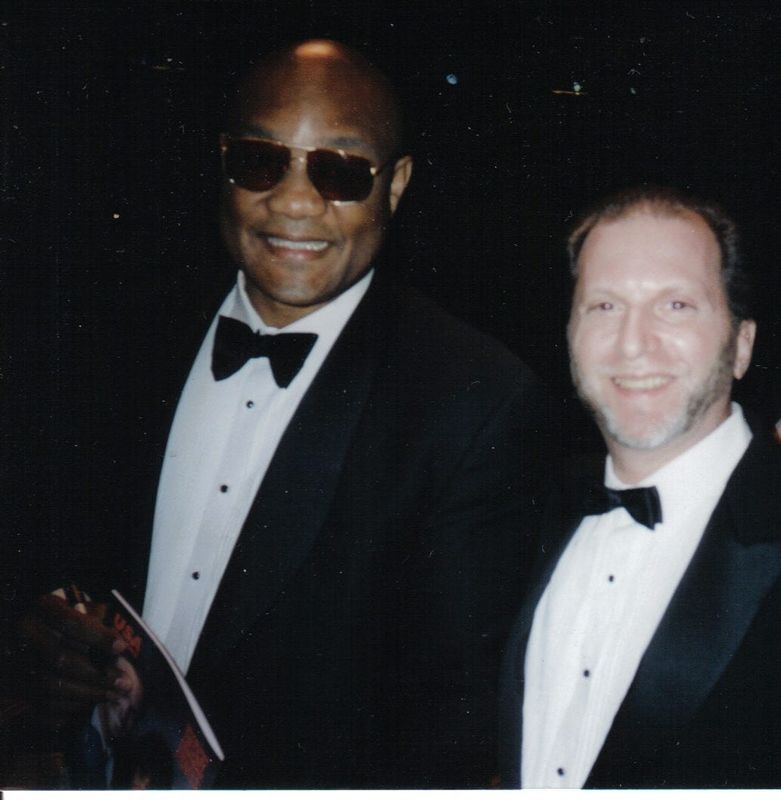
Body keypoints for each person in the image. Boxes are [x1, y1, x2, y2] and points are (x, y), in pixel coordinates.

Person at [5, 39, 550, 788]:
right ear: (222, 163)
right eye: (262, 161)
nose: (294, 202)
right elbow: (58, 544)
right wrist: (39, 632)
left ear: (395, 186)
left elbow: (452, 727)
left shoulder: (472, 402)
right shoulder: (124, 333)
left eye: (340, 171)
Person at [499, 184, 781, 788]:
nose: (633, 343)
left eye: (675, 305)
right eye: (604, 306)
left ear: (741, 345)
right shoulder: (519, 506)